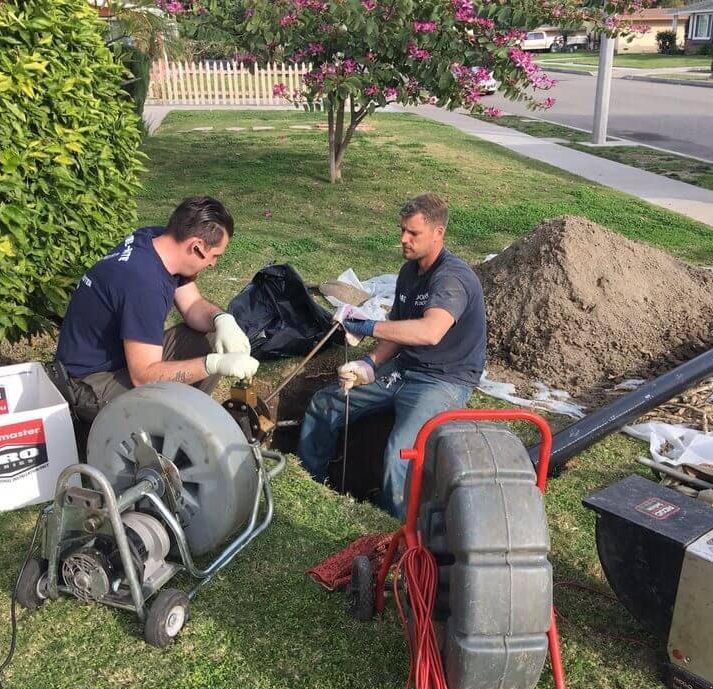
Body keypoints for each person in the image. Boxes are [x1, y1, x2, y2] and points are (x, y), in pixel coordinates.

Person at [298, 193, 487, 519]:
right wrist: (370, 364)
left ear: (438, 233)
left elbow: (430, 332)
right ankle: (310, 489)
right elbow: (399, 328)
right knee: (325, 403)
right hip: (405, 368)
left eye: (413, 233)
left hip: (443, 381)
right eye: (402, 230)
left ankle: (390, 531)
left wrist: (369, 326)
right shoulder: (409, 272)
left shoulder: (452, 279)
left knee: (400, 453)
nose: (403, 239)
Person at [55, 196, 258, 421]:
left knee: (211, 336)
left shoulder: (153, 239)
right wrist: (212, 365)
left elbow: (192, 305)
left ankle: (178, 419)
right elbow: (144, 377)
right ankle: (164, 433)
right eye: (214, 256)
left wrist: (222, 319)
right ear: (197, 247)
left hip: (118, 361)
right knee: (181, 377)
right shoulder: (143, 284)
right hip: (88, 385)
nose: (212, 264)